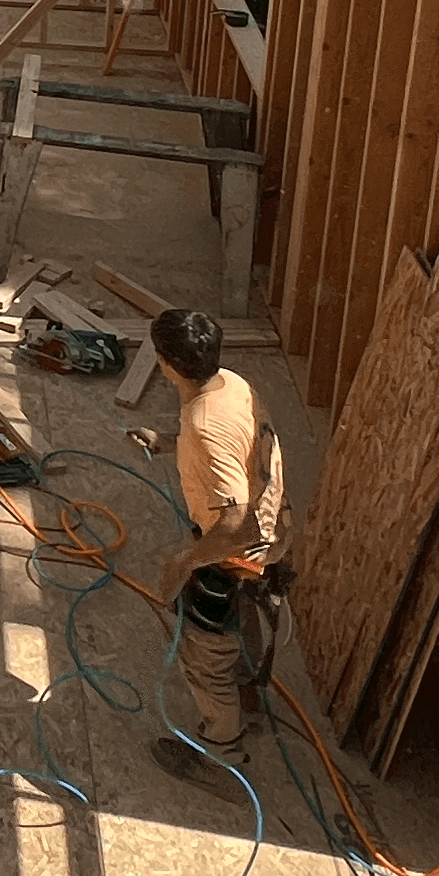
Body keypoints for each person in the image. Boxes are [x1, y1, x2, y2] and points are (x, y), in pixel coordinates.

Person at [128, 304, 288, 789]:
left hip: (238, 551)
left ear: (167, 363)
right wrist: (168, 441)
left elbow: (234, 523)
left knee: (204, 655)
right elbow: (233, 449)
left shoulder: (203, 424)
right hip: (274, 530)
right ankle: (248, 698)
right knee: (243, 620)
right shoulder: (231, 385)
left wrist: (187, 560)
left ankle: (221, 759)